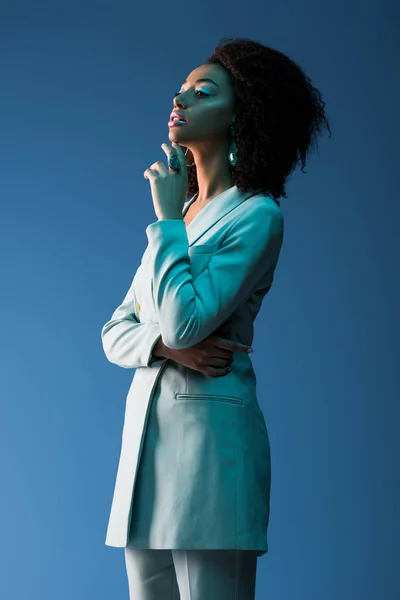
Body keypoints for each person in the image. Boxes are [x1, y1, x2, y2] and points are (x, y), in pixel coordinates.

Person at [101, 36, 331, 600]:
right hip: (145, 459)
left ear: (241, 117)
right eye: (181, 89)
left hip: (210, 456)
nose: (181, 98)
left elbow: (186, 322)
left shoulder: (256, 216)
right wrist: (166, 349)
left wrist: (165, 224)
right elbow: (115, 332)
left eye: (203, 92)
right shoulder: (179, 214)